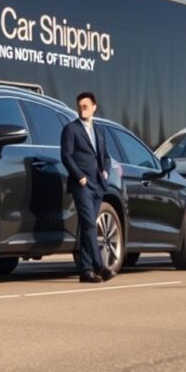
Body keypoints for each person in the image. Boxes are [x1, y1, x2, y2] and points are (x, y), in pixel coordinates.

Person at [60, 91, 115, 284]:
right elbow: (66, 156)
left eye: (85, 106)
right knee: (90, 223)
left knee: (87, 227)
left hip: (98, 185)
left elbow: (106, 157)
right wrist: (80, 176)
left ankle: (86, 271)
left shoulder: (99, 130)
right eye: (79, 106)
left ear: (94, 107)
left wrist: (105, 173)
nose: (82, 109)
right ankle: (99, 265)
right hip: (81, 185)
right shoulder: (71, 129)